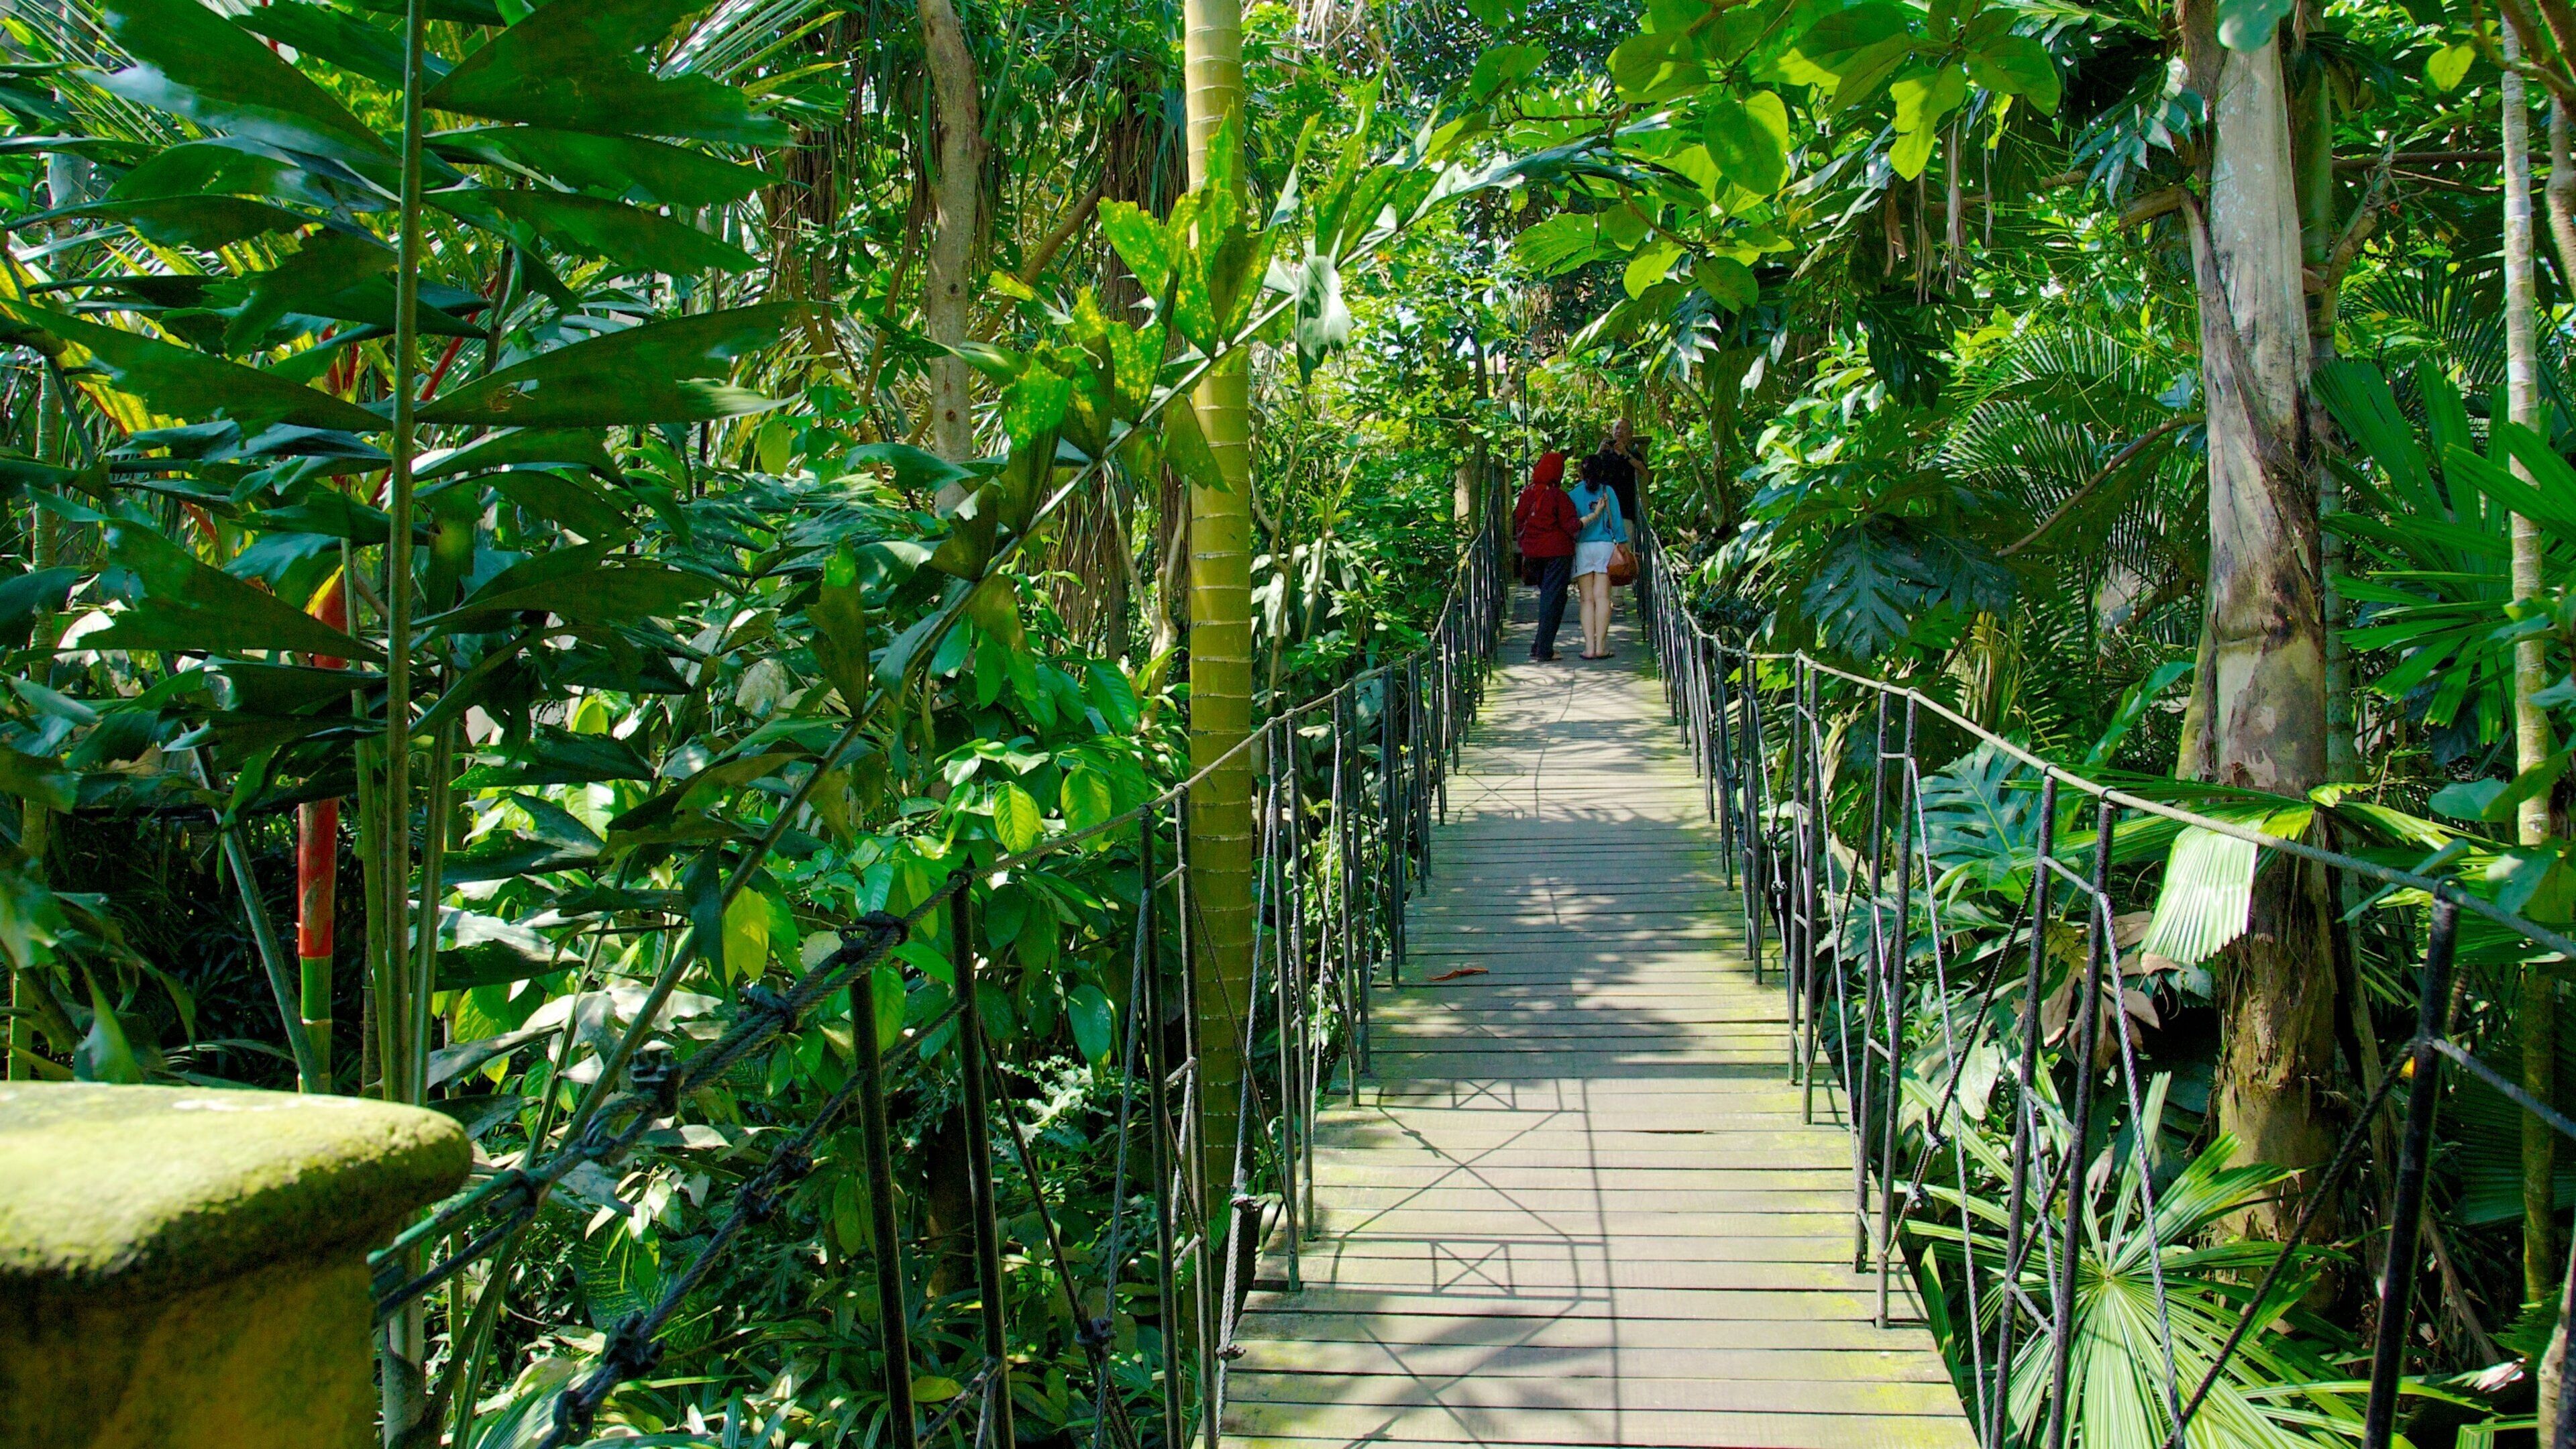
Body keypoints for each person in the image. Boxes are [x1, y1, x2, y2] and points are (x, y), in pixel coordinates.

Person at [1511, 451, 1578, 661]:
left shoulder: (1527, 494)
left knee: (1547, 598)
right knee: (1554, 599)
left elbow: (1518, 521)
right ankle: (1544, 650)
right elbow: (1571, 526)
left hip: (1533, 555)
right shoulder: (1558, 496)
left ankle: (1539, 644)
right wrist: (1589, 519)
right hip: (1557, 554)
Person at [1568, 451, 1628, 660]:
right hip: (1604, 547)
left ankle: (1589, 647)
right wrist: (1622, 544)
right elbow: (1617, 521)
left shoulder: (1574, 494)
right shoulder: (1607, 491)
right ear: (1601, 472)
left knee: (1586, 600)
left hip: (1583, 547)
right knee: (1603, 598)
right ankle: (1602, 647)